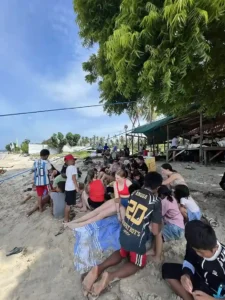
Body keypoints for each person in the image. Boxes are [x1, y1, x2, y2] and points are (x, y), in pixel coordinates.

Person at [82, 172, 163, 297]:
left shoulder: (135, 193)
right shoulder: (156, 201)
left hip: (124, 233)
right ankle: (110, 276)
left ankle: (98, 268)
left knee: (121, 252)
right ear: (157, 188)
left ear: (144, 182)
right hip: (137, 241)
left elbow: (123, 201)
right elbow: (155, 231)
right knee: (137, 264)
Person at [162, 220, 225, 300]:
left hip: (215, 293)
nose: (198, 254)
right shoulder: (195, 242)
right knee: (167, 269)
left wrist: (210, 298)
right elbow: (189, 257)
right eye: (195, 250)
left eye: (201, 252)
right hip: (199, 277)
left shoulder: (222, 264)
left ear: (213, 248)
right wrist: (186, 274)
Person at [64, 169, 132, 229]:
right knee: (97, 211)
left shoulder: (129, 183)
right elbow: (117, 197)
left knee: (101, 214)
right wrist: (117, 211)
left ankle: (79, 225)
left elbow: (133, 197)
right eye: (115, 178)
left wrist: (120, 211)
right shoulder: (115, 183)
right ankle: (74, 222)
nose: (116, 180)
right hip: (118, 200)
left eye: (118, 178)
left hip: (125, 202)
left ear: (124, 178)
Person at [64, 154, 79, 223]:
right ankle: (66, 220)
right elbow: (73, 178)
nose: (74, 161)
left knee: (68, 204)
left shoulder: (67, 168)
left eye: (74, 160)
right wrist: (76, 187)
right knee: (68, 205)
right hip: (71, 188)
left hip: (67, 187)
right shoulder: (73, 167)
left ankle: (67, 218)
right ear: (68, 161)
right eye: (72, 160)